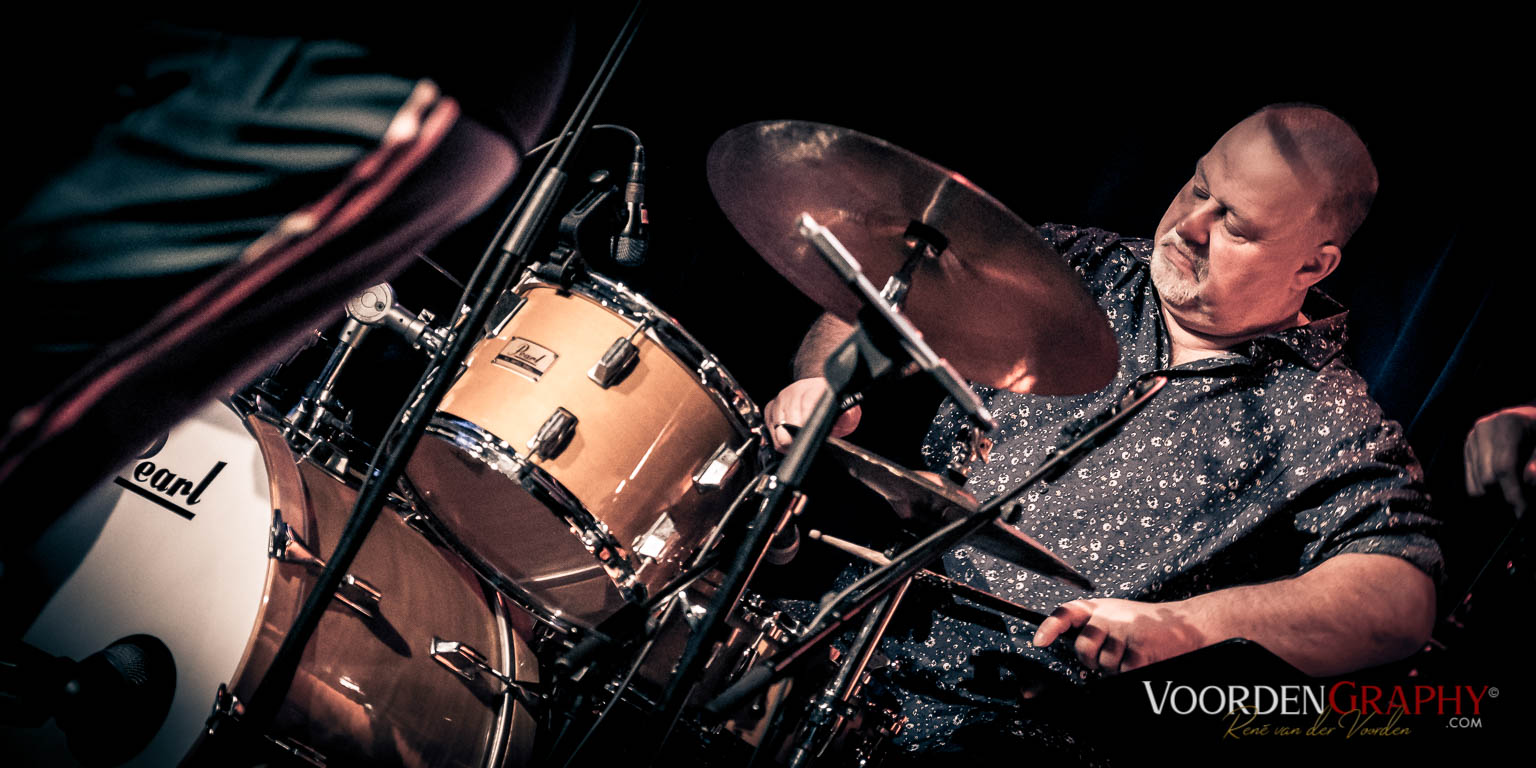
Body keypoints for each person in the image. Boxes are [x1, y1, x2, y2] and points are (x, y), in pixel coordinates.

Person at [763, 104, 1442, 754]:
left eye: (1235, 226)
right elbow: (880, 299)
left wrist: (1184, 626)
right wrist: (825, 382)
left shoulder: (1325, 413)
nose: (1190, 227)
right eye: (1198, 188)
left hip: (1004, 726)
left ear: (1313, 266)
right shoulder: (1074, 263)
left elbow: (1399, 601)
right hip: (845, 634)